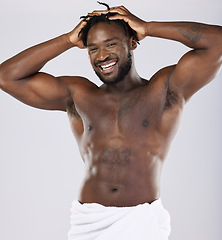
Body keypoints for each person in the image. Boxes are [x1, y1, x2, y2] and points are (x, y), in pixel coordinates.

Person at [0, 2, 221, 240]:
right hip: (88, 223)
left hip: (140, 224)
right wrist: (67, 40)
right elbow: (7, 77)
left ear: (132, 43)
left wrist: (148, 27)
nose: (102, 56)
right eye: (93, 48)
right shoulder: (79, 94)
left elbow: (217, 42)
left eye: (111, 44)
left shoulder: (164, 89)